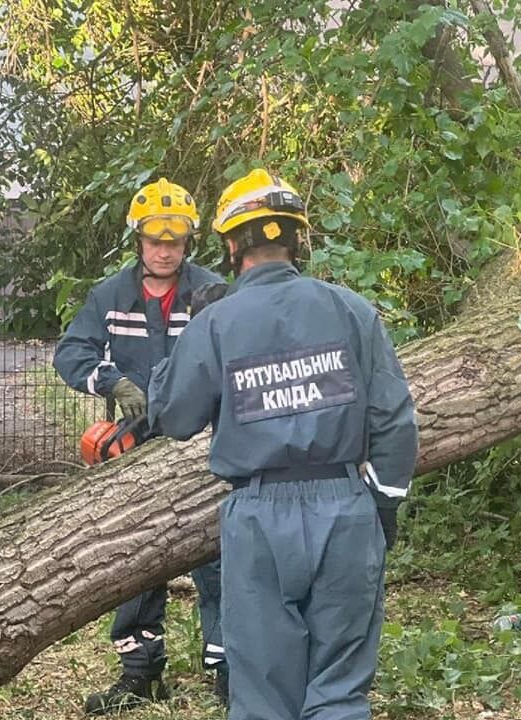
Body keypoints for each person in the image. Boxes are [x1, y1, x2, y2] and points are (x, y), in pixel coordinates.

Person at [146, 168, 418, 720]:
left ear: (229, 244)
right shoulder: (351, 310)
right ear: (297, 237)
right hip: (346, 510)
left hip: (258, 519)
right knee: (339, 693)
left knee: (264, 699)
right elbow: (395, 422)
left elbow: (173, 417)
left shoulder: (216, 321)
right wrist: (382, 503)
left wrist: (191, 335)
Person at [53, 178, 229, 713]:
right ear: (139, 238)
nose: (164, 249)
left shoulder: (213, 291)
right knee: (133, 554)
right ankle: (141, 671)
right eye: (156, 239)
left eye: (175, 240)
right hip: (134, 447)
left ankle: (227, 668)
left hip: (203, 444)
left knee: (217, 555)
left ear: (188, 241)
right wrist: (111, 381)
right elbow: (71, 352)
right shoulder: (111, 294)